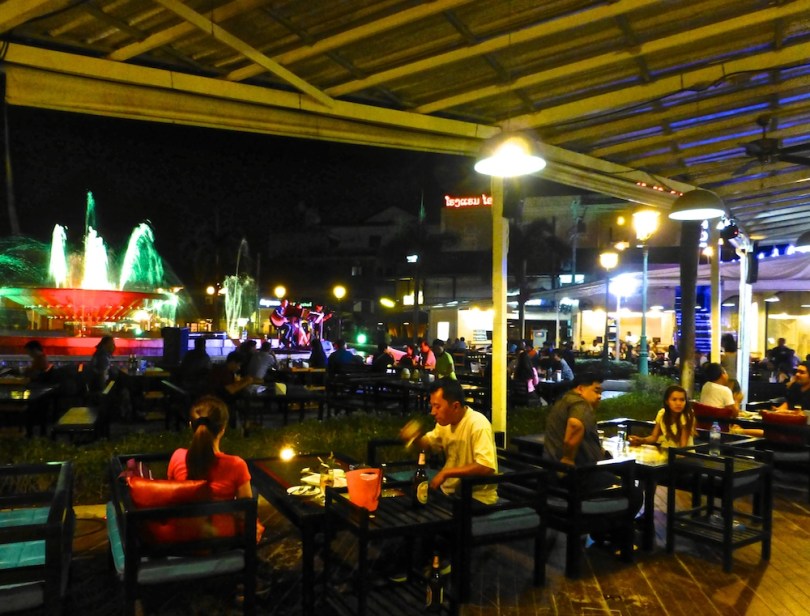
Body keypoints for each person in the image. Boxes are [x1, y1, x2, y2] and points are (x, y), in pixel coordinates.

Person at [168, 395, 263, 541]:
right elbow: (245, 513)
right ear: (223, 429)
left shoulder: (177, 457)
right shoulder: (236, 464)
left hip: (183, 537)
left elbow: (171, 496)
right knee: (253, 491)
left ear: (191, 425)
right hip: (221, 540)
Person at [399, 378, 497, 504]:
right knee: (410, 499)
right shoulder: (444, 424)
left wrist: (446, 473)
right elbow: (428, 445)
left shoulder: (478, 424)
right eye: (432, 406)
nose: (433, 412)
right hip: (449, 492)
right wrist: (415, 437)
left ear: (455, 406)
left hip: (476, 498)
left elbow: (486, 466)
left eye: (437, 406)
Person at [629, 385, 695, 449]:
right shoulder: (662, 414)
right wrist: (641, 440)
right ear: (667, 401)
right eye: (674, 400)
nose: (678, 403)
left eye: (682, 400)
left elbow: (683, 447)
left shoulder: (686, 416)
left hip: (682, 454)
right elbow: (654, 437)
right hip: (665, 450)